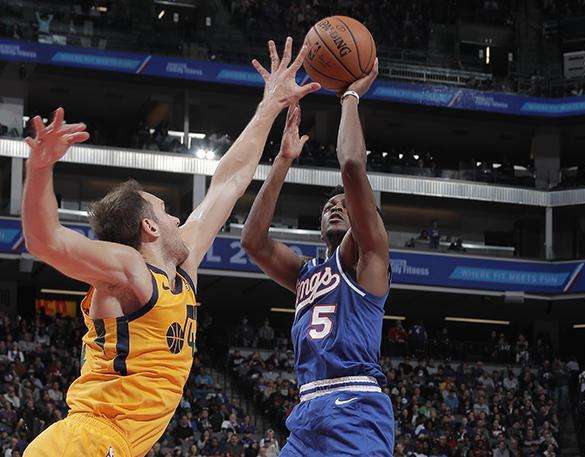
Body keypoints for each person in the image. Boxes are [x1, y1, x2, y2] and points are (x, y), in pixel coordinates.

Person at [22, 37, 320, 457]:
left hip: (118, 445)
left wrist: (270, 105)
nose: (179, 219)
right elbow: (45, 241)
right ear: (149, 228)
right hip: (86, 442)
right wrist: (39, 168)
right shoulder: (129, 270)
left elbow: (228, 183)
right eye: (166, 212)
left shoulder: (182, 269)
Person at [241, 58, 394, 456]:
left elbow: (352, 165)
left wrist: (350, 96)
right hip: (307, 411)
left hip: (356, 407)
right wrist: (282, 161)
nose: (335, 208)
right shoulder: (305, 273)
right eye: (328, 206)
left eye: (345, 204)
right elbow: (253, 242)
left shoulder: (366, 257)